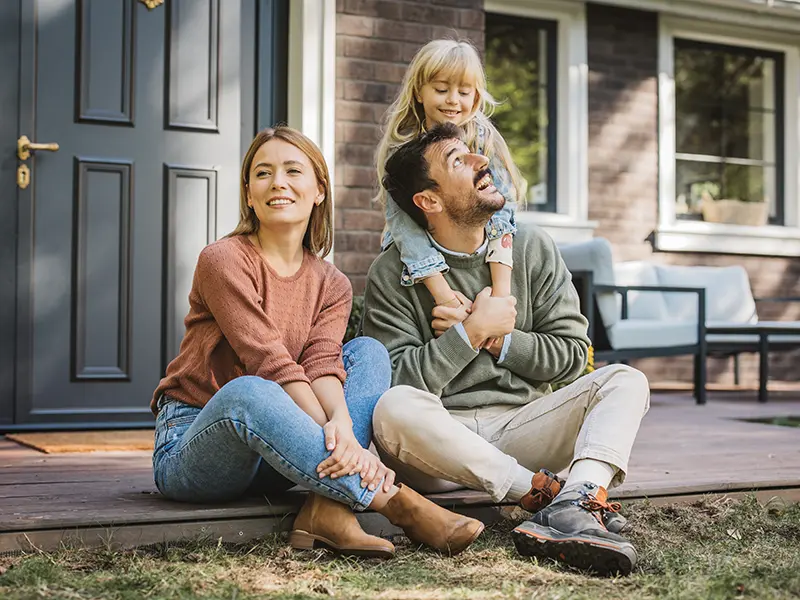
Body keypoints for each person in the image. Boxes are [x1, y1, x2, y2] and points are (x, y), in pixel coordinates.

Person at [151, 126, 483, 560]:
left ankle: (327, 508)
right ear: (249, 193)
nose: (278, 183)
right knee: (252, 391)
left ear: (319, 190)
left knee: (368, 353)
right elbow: (268, 360)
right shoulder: (223, 260)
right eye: (263, 173)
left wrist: (343, 426)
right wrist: (343, 440)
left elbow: (322, 362)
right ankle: (400, 504)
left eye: (293, 170)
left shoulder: (331, 283)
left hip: (281, 451)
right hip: (197, 447)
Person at [362, 122, 651, 575]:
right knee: (392, 407)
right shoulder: (391, 271)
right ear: (429, 201)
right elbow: (392, 379)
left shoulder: (532, 247)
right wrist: (469, 334)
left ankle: (578, 498)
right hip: (438, 443)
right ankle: (539, 494)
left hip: (523, 426)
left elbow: (573, 353)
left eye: (473, 153)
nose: (482, 162)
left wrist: (500, 339)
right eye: (459, 161)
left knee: (625, 380)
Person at [375, 39, 522, 342]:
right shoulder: (402, 147)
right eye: (441, 90)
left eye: (464, 92)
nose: (453, 100)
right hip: (418, 254)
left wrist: (499, 296)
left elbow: (502, 210)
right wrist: (445, 297)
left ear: (477, 96)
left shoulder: (482, 140)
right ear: (419, 91)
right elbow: (404, 229)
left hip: (481, 248)